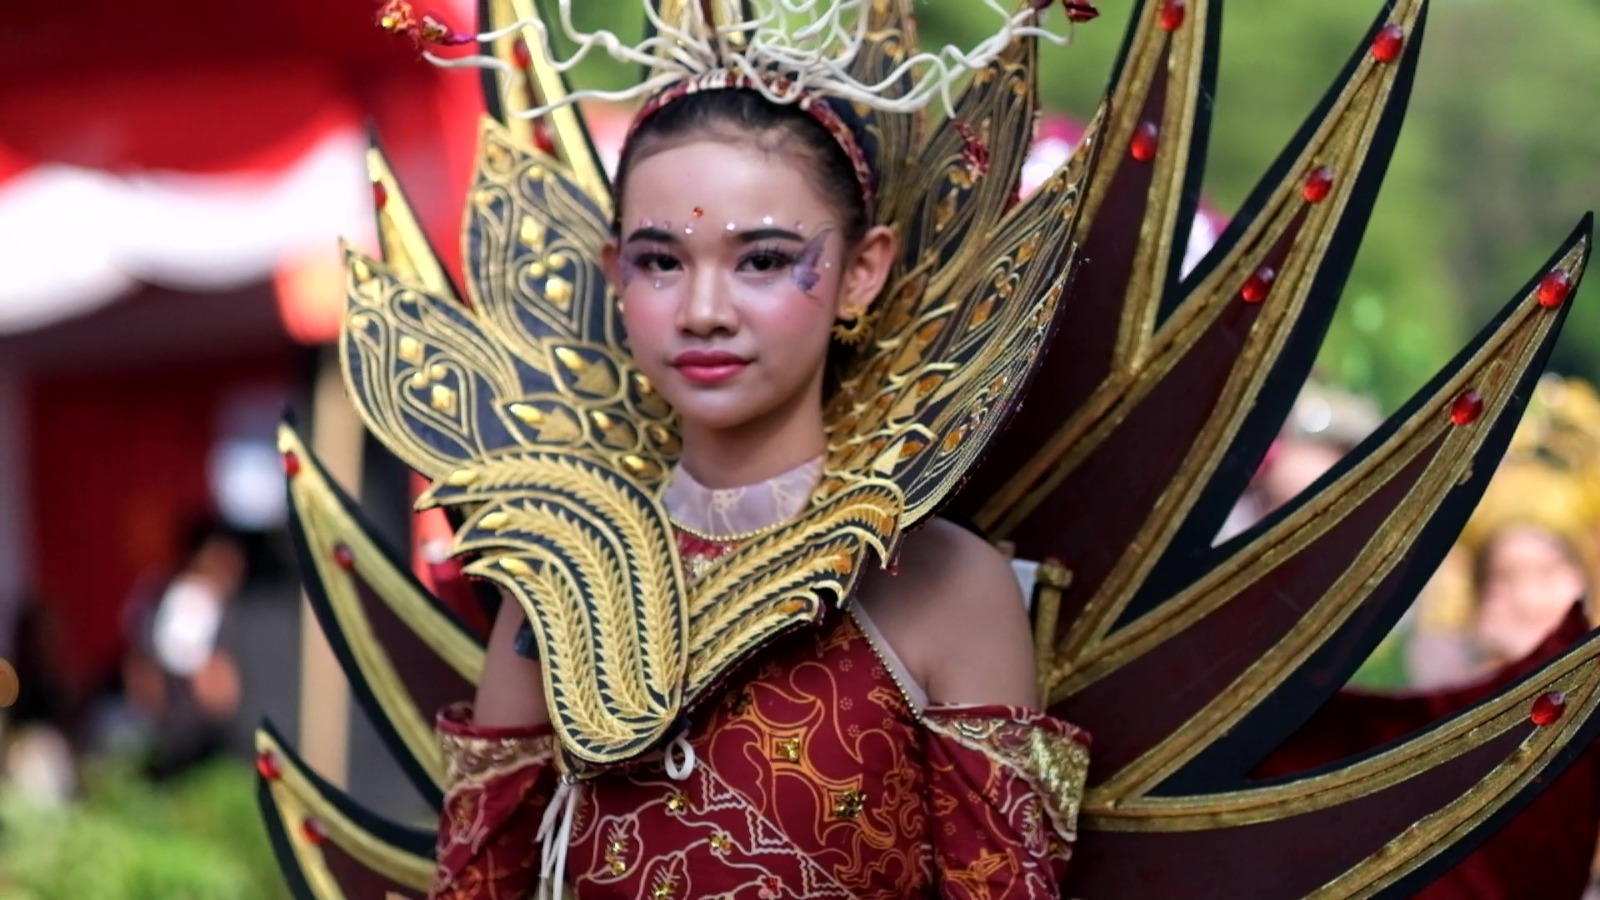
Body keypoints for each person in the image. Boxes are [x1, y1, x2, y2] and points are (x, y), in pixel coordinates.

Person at [431, 50, 1084, 900]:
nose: (704, 312)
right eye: (662, 262)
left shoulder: (945, 587)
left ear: (861, 271)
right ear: (615, 274)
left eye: (764, 260)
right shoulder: (560, 578)